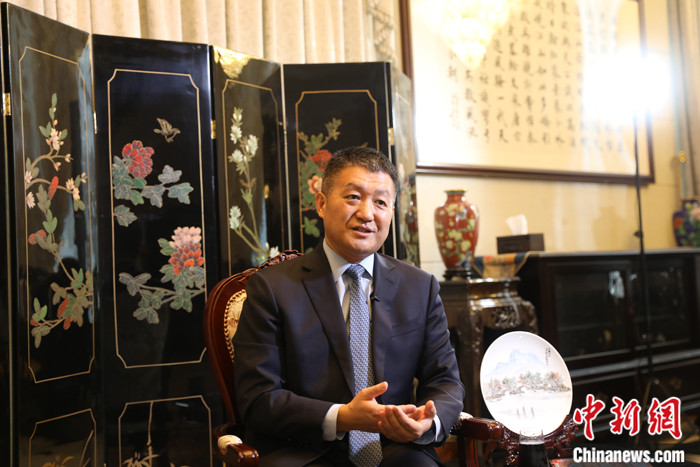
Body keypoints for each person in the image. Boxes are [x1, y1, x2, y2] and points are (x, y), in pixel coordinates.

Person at [233, 146, 464, 467]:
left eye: (380, 202)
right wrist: (342, 417)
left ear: (391, 212)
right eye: (353, 197)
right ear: (322, 203)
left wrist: (427, 422)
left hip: (396, 448)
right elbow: (258, 398)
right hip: (306, 450)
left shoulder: (419, 287)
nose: (367, 214)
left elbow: (445, 382)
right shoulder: (272, 288)